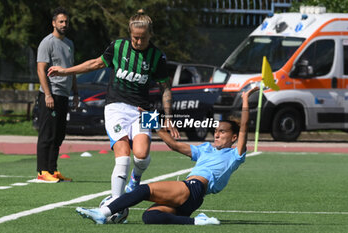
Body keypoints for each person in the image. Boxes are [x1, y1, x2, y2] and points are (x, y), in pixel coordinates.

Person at [48, 10, 179, 207]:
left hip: (145, 109)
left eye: (142, 38)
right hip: (116, 106)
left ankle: (135, 179)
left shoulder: (157, 56)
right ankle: (115, 205)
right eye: (135, 37)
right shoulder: (118, 46)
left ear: (150, 34)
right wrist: (65, 71)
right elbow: (95, 63)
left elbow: (165, 88)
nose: (138, 41)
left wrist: (168, 116)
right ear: (129, 33)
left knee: (142, 156)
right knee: (124, 155)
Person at [75, 86, 259, 225]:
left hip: (191, 188)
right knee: (150, 216)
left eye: (223, 132)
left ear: (234, 137)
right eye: (216, 131)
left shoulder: (235, 154)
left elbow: (244, 127)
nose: (217, 134)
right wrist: (151, 119)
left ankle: (103, 213)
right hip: (191, 199)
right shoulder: (205, 149)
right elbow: (173, 144)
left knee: (142, 190)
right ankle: (198, 221)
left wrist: (244, 99)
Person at [36, 7, 78, 183]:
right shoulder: (47, 42)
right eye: (61, 21)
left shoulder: (69, 44)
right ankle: (42, 171)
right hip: (50, 94)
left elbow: (71, 71)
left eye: (66, 22)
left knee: (59, 134)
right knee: (48, 133)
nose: (64, 24)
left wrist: (75, 93)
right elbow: (40, 69)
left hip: (64, 95)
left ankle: (52, 170)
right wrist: (47, 95)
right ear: (54, 23)